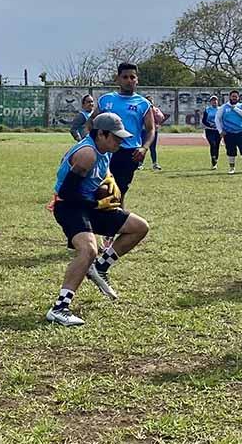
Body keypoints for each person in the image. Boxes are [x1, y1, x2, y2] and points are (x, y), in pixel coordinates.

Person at [46, 113, 151, 326]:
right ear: (101, 134)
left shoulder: (105, 150)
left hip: (88, 204)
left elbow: (102, 175)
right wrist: (98, 203)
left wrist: (108, 187)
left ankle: (100, 268)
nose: (120, 141)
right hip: (70, 207)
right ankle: (59, 309)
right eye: (116, 137)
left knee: (139, 227)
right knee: (88, 250)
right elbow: (67, 193)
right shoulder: (87, 154)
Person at [89, 63, 155, 202]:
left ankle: (119, 220)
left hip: (129, 152)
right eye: (125, 77)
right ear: (118, 79)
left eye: (132, 77)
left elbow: (150, 129)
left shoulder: (143, 104)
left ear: (137, 80)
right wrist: (91, 142)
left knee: (119, 191)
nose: (129, 80)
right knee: (98, 189)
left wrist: (144, 148)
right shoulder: (106, 99)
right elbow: (92, 121)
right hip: (105, 151)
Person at [217, 90, 242, 175]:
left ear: (238, 98)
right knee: (231, 151)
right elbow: (217, 119)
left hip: (240, 132)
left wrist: (235, 108)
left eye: (235, 96)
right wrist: (220, 130)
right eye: (232, 96)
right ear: (230, 97)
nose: (234, 98)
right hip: (229, 133)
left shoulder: (241, 106)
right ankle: (231, 168)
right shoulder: (224, 107)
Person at [143, 95, 167, 171]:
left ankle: (154, 163)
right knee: (142, 147)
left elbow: (161, 118)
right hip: (144, 130)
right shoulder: (142, 109)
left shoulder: (155, 109)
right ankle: (140, 163)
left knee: (152, 148)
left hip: (153, 130)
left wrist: (154, 111)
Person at [201, 95, 222, 170]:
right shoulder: (207, 110)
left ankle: (215, 161)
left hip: (218, 130)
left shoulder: (220, 109)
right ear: (210, 102)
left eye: (215, 100)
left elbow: (223, 119)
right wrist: (210, 124)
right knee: (212, 144)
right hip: (209, 130)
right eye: (213, 100)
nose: (214, 102)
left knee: (217, 145)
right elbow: (204, 120)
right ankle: (213, 159)